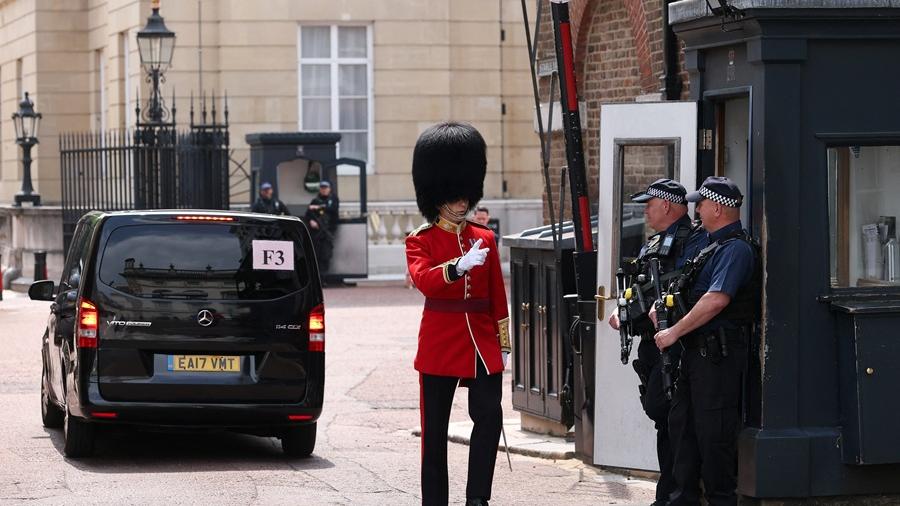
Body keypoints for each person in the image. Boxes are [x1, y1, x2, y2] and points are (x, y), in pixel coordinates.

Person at [405, 122, 509, 506]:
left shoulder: (484, 238)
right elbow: (425, 280)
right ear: (437, 197)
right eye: (454, 195)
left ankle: (477, 499)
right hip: (440, 342)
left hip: (481, 342)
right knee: (434, 433)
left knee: (490, 420)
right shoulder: (421, 239)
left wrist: (503, 345)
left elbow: (498, 295)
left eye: (466, 194)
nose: (463, 202)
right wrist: (457, 267)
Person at [652, 177, 760, 506]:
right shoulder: (709, 245)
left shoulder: (737, 249)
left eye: (700, 204)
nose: (695, 209)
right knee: (683, 432)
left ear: (716, 208)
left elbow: (716, 299)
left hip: (719, 359)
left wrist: (673, 332)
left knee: (714, 442)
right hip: (696, 357)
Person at [606, 178, 706, 506]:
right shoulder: (651, 244)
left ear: (667, 205)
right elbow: (638, 287)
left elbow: (686, 288)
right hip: (652, 343)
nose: (646, 211)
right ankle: (667, 495)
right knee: (663, 420)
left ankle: (679, 496)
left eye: (649, 204)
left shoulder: (694, 240)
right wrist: (623, 310)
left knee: (675, 421)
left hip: (678, 343)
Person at [304, 180, 340, 273]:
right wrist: (311, 221)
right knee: (316, 256)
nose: (324, 190)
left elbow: (333, 209)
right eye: (322, 188)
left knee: (326, 255)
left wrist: (319, 207)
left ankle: (324, 279)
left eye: (325, 188)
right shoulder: (315, 200)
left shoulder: (333, 199)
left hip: (327, 232)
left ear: (329, 189)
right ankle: (319, 279)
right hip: (316, 233)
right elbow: (308, 215)